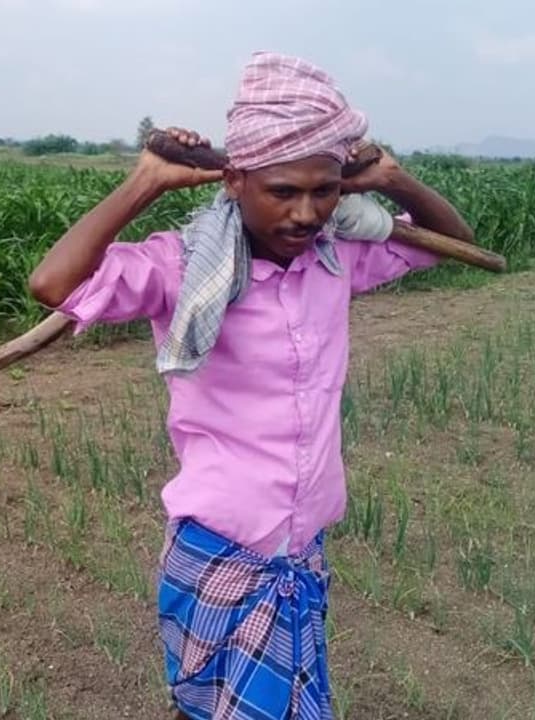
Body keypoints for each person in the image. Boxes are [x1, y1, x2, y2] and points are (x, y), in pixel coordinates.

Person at [28, 53, 476, 719]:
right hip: (220, 550)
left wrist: (393, 178)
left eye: (324, 191)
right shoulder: (183, 266)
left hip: (302, 551)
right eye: (283, 191)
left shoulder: (336, 259)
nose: (305, 214)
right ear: (235, 180)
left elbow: (451, 241)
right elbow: (53, 284)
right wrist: (146, 181)